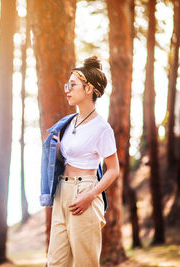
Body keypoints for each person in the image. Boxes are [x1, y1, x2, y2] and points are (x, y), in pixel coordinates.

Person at [40, 56, 120, 267]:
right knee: (56, 262)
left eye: (72, 85)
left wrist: (90, 195)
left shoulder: (102, 129)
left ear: (88, 89)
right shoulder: (68, 123)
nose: (67, 89)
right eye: (67, 85)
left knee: (85, 263)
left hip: (84, 193)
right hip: (61, 193)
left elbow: (113, 170)